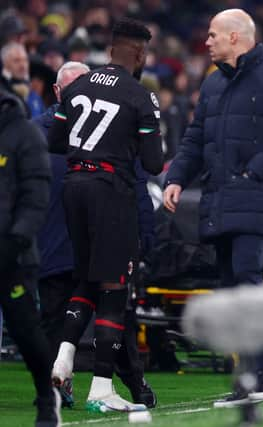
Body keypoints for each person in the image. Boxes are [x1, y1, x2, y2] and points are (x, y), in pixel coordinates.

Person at [162, 9, 263, 407]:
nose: (206, 42)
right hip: (218, 201)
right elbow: (195, 138)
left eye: (212, 35)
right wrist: (175, 177)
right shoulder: (212, 86)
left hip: (257, 199)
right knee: (231, 291)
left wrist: (253, 173)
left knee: (247, 283)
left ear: (235, 37)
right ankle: (248, 377)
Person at [47, 18, 164, 412]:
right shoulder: (139, 96)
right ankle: (101, 387)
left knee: (87, 281)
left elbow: (55, 141)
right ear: (140, 54)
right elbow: (153, 162)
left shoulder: (77, 85)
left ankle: (62, 362)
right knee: (115, 289)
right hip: (109, 192)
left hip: (73, 187)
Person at [0, 89, 61, 427]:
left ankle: (45, 396)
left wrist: (15, 241)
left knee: (25, 332)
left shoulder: (25, 134)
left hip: (13, 256)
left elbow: (36, 196)